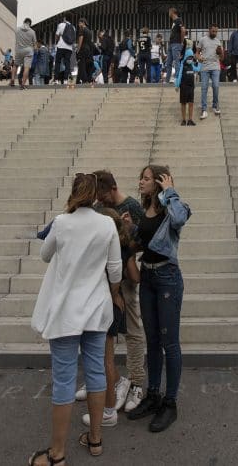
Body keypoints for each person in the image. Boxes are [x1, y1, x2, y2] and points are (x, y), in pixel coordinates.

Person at [28, 173, 122, 466]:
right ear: (95, 196)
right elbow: (115, 270)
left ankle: (57, 453)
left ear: (73, 193)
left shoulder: (61, 222)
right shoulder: (106, 223)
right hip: (96, 308)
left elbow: (45, 255)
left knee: (64, 379)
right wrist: (112, 293)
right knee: (96, 373)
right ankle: (95, 438)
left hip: (65, 311)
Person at [124, 164, 190, 433]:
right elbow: (144, 243)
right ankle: (153, 394)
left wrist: (170, 191)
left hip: (167, 278)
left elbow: (179, 220)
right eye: (141, 178)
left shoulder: (173, 207)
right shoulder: (146, 211)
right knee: (152, 340)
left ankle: (170, 403)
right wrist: (131, 228)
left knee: (169, 343)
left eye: (147, 178)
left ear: (160, 182)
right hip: (148, 277)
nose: (141, 182)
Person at [91, 171, 147, 413]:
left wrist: (127, 237)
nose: (99, 201)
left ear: (113, 188)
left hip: (125, 273)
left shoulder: (132, 206)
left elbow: (145, 239)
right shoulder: (97, 207)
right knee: (104, 332)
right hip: (104, 279)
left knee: (132, 330)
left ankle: (136, 381)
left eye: (102, 196)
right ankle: (108, 379)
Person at [196, 25, 222, 119]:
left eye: (216, 32)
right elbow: (197, 53)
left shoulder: (218, 41)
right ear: (209, 30)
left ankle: (215, 106)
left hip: (215, 67)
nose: (215, 33)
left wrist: (220, 53)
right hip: (205, 67)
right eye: (213, 31)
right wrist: (199, 58)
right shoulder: (202, 40)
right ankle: (204, 109)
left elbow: (221, 57)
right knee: (204, 88)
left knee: (216, 85)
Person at [12, 18, 37, 89]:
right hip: (28, 51)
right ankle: (22, 84)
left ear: (24, 22)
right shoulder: (32, 32)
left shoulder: (17, 29)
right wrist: (35, 50)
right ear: (30, 24)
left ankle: (12, 80)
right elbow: (35, 45)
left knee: (15, 65)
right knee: (26, 68)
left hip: (19, 50)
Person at [176, 47, 197, 126]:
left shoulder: (192, 65)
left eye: (191, 58)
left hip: (191, 87)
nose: (190, 59)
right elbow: (179, 75)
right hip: (183, 86)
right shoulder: (182, 65)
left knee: (191, 103)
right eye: (189, 57)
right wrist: (177, 85)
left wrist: (200, 62)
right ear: (186, 57)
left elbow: (198, 69)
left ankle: (190, 120)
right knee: (183, 103)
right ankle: (184, 120)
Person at [54, 14, 76, 84]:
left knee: (58, 62)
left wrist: (56, 42)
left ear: (65, 18)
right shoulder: (73, 27)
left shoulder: (61, 25)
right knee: (67, 63)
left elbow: (57, 35)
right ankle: (66, 80)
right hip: (69, 48)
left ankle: (56, 80)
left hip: (61, 46)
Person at [165, 7, 185, 84]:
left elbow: (183, 30)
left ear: (172, 12)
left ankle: (177, 79)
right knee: (168, 63)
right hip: (171, 43)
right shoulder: (174, 22)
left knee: (176, 61)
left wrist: (181, 42)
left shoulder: (179, 20)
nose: (168, 13)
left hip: (176, 43)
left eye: (169, 12)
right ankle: (167, 80)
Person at [75, 18, 96, 87]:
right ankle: (79, 80)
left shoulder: (82, 30)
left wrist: (78, 50)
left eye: (79, 23)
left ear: (83, 23)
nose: (78, 25)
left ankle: (85, 80)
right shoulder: (89, 31)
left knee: (82, 65)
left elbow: (80, 40)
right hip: (88, 50)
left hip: (83, 49)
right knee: (85, 65)